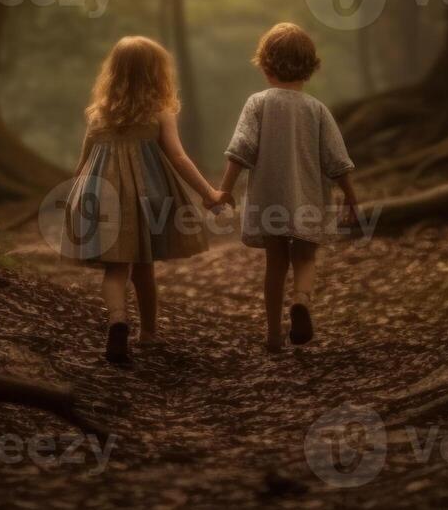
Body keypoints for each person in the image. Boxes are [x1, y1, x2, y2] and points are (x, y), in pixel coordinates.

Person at [62, 36, 233, 365]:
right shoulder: (160, 112)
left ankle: (117, 321)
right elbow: (179, 158)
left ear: (114, 73)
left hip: (103, 197)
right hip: (146, 197)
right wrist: (209, 194)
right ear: (156, 73)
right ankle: (149, 334)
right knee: (144, 269)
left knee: (115, 269)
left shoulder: (99, 115)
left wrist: (75, 201)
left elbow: (82, 164)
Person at [219, 22, 358, 352]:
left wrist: (224, 190)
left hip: (270, 198)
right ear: (310, 67)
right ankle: (301, 300)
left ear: (266, 66)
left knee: (276, 264)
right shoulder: (317, 109)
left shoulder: (258, 103)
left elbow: (241, 149)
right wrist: (351, 197)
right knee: (306, 258)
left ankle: (272, 335)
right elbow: (337, 159)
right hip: (308, 197)